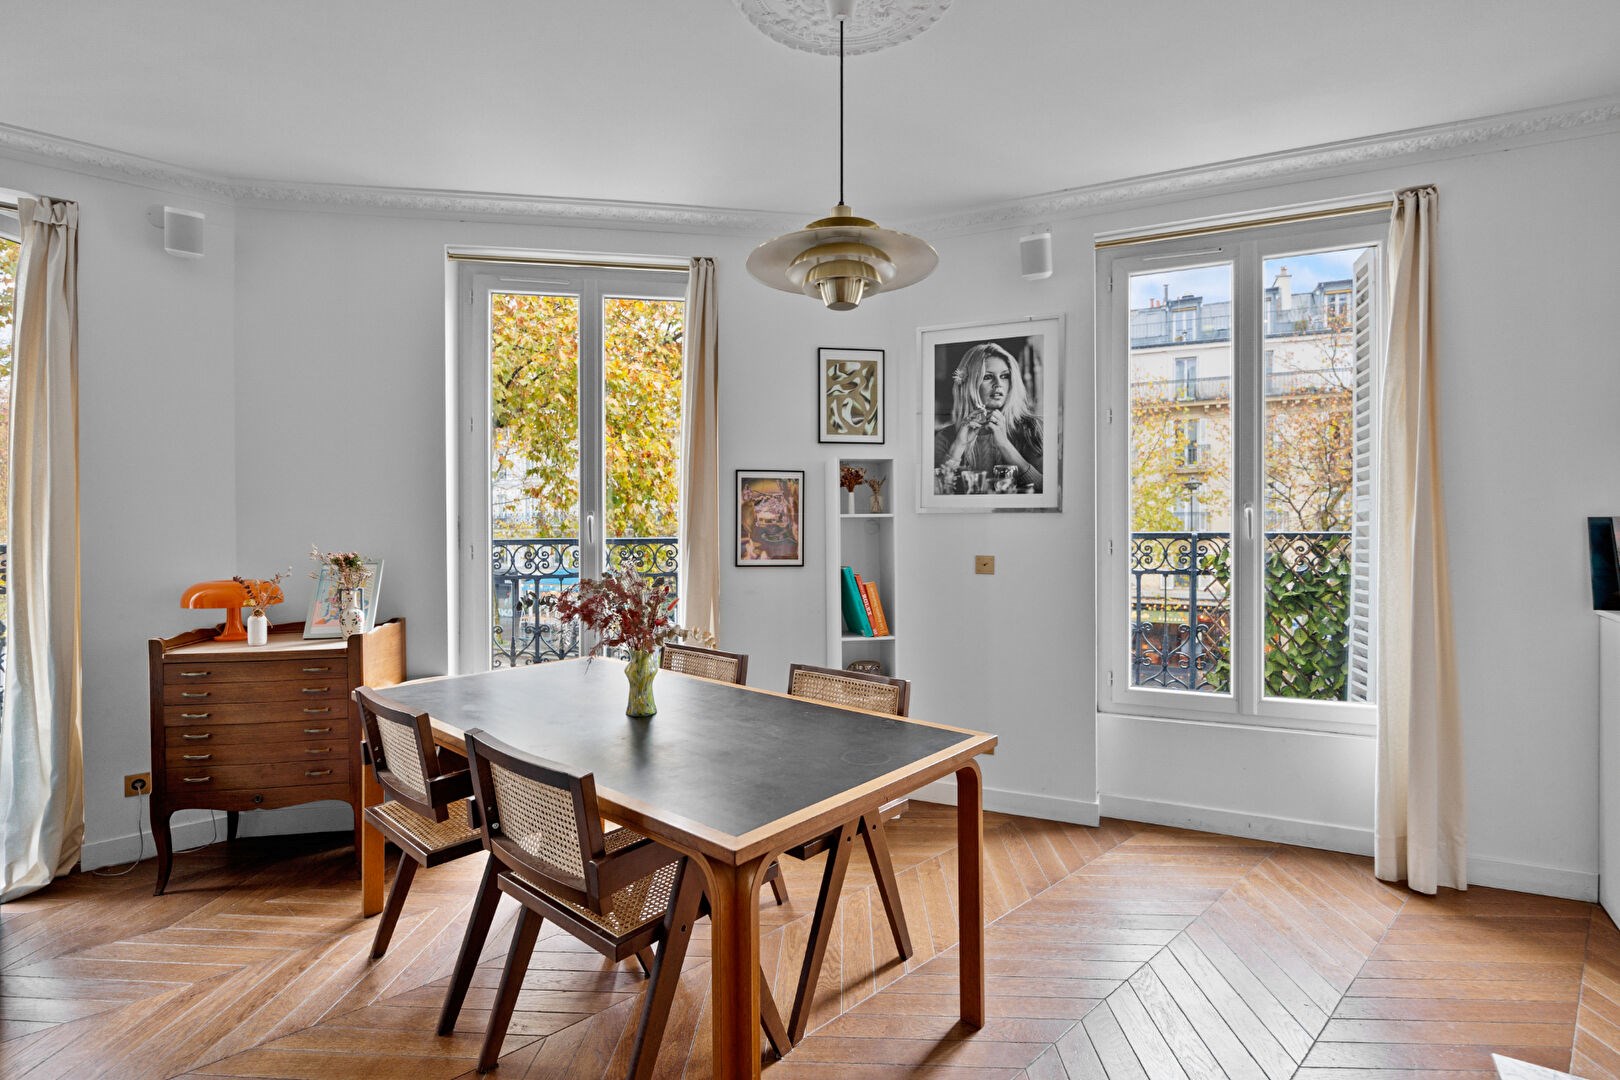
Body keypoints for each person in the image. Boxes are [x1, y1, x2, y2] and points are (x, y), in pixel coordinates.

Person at [933, 342, 1043, 492]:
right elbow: (936, 493)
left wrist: (1005, 445)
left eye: (1004, 376)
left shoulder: (1034, 429)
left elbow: (1047, 490)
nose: (999, 384)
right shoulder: (945, 437)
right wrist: (958, 446)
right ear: (969, 384)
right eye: (988, 377)